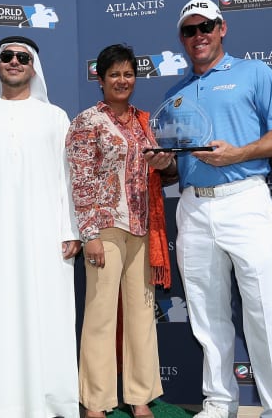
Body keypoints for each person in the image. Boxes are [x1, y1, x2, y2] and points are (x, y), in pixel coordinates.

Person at [153, 0, 272, 418]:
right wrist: (165, 165)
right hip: (194, 208)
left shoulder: (254, 72)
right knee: (205, 313)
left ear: (222, 28)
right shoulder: (174, 94)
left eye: (206, 27)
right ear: (182, 38)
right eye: (189, 30)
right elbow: (175, 165)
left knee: (264, 311)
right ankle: (219, 404)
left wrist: (241, 153)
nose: (198, 37)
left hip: (244, 200)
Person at [0, 36, 82, 418]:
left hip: (46, 238)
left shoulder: (56, 117)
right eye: (6, 56)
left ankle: (54, 404)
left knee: (51, 316)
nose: (14, 62)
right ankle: (2, 407)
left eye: (23, 57)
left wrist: (70, 228)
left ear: (34, 66)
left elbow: (68, 178)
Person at [66, 44, 173, 418]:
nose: (122, 80)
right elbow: (80, 181)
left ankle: (139, 396)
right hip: (105, 229)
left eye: (128, 74)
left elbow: (158, 168)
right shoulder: (86, 122)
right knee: (100, 315)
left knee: (142, 315)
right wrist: (90, 233)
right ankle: (96, 401)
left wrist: (162, 162)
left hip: (142, 228)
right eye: (115, 74)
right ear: (100, 79)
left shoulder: (144, 122)